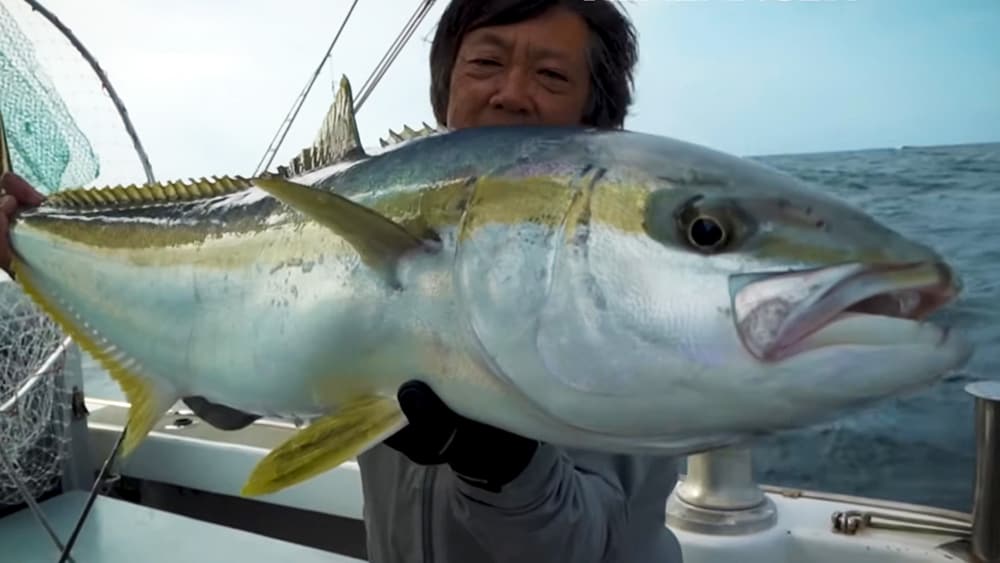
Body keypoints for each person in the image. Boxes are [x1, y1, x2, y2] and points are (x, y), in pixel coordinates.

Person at [0, 1, 684, 561]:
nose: (511, 92)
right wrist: (34, 248)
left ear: (599, 122)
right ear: (446, 92)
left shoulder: (625, 297)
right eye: (485, 62)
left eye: (551, 76)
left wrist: (500, 463)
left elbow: (595, 547)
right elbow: (228, 404)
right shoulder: (368, 213)